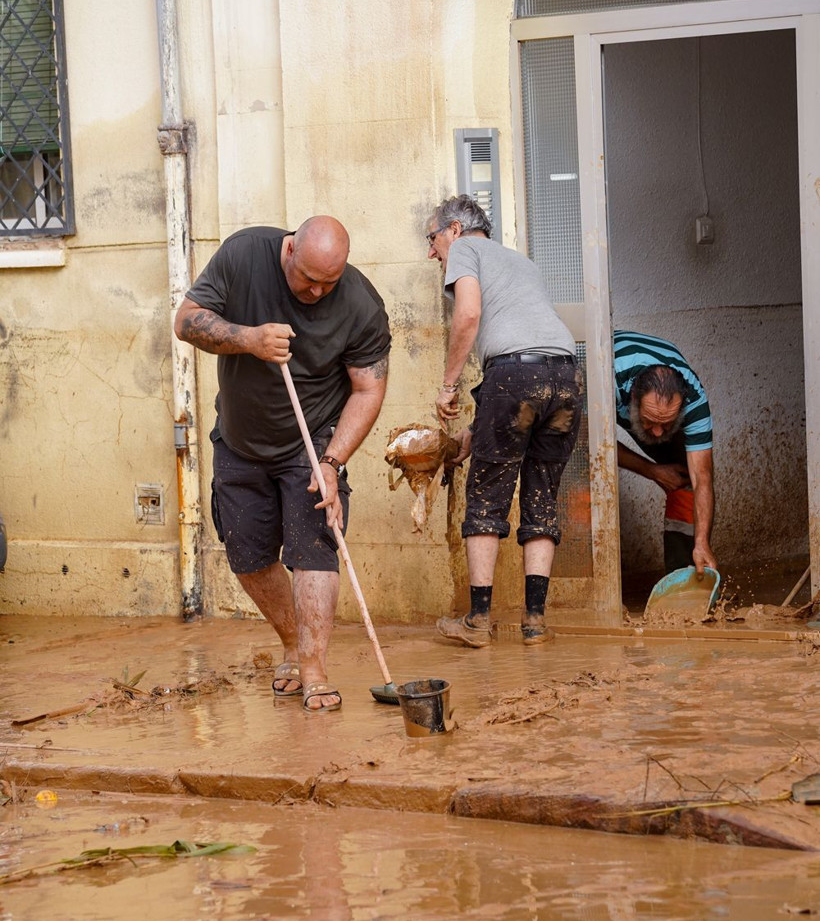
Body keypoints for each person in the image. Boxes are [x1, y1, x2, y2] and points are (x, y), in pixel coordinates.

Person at [174, 217, 390, 711]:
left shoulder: (360, 304)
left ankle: (314, 666)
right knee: (247, 555)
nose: (316, 291)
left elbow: (368, 387)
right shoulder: (244, 254)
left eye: (328, 283)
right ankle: (292, 642)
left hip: (311, 442)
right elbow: (186, 320)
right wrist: (248, 339)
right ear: (289, 248)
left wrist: (333, 462)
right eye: (307, 278)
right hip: (240, 439)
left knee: (313, 547)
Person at [427, 194, 582, 648]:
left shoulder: (465, 251)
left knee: (487, 495)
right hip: (565, 378)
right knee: (541, 492)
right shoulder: (522, 264)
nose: (432, 250)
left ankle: (478, 620)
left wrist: (449, 385)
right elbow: (528, 386)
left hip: (515, 375)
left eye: (432, 238)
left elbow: (470, 315)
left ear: (455, 229)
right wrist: (476, 433)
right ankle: (534, 621)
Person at [614, 330, 717, 576]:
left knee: (686, 479)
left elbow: (702, 479)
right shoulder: (611, 380)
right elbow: (589, 444)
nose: (659, 433)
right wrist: (652, 471)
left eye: (668, 422)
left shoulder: (694, 401)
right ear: (633, 401)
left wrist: (702, 542)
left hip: (659, 391)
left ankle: (684, 574)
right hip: (599, 381)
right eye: (650, 421)